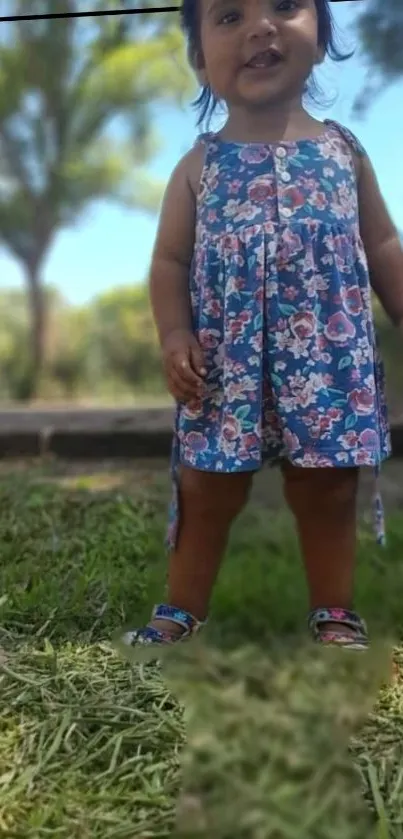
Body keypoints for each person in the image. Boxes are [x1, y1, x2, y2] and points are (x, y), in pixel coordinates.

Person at [121, 0, 403, 656]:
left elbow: (383, 242)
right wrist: (173, 335)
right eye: (228, 17)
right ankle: (180, 607)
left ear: (323, 33)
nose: (259, 27)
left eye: (282, 5)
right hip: (224, 366)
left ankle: (333, 612)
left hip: (326, 363)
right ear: (197, 57)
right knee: (205, 487)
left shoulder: (343, 150)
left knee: (329, 486)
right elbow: (168, 262)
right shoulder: (199, 166)